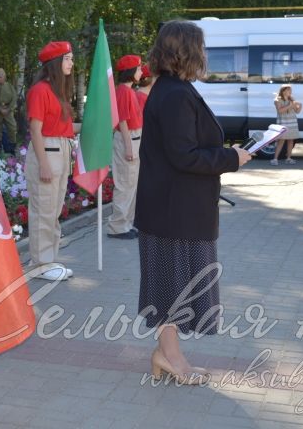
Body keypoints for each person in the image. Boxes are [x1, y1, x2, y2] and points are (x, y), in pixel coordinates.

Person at [135, 20, 251, 385]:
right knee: (172, 288)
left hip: (177, 209)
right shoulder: (173, 94)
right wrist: (231, 158)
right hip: (173, 212)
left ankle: (169, 356)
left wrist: (227, 154)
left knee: (175, 285)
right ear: (185, 51)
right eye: (200, 47)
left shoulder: (175, 90)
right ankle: (169, 358)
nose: (204, 54)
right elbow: (184, 156)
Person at [25, 41, 80, 281]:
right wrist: (44, 163)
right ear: (56, 63)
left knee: (53, 211)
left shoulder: (58, 92)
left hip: (60, 148)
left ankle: (48, 260)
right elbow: (35, 130)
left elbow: (65, 128)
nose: (71, 63)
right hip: (46, 151)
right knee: (44, 210)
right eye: (67, 59)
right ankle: (41, 264)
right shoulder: (40, 90)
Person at [108, 54, 144, 240]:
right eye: (138, 68)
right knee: (124, 183)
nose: (141, 71)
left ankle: (126, 223)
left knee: (131, 184)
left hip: (133, 137)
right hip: (127, 138)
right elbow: (122, 121)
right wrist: (129, 148)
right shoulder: (123, 91)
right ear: (131, 71)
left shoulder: (128, 90)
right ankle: (117, 226)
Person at [0, 68, 18, 154]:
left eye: (0, 77)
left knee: (12, 128)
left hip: (8, 111)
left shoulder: (10, 86)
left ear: (4, 77)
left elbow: (14, 99)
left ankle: (12, 150)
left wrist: (9, 109)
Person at [271, 84, 302, 166]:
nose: (290, 92)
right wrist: (290, 105)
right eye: (288, 90)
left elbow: (297, 111)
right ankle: (275, 159)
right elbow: (280, 111)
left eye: (290, 90)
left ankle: (288, 158)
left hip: (292, 123)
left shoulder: (291, 100)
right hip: (283, 124)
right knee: (281, 141)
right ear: (283, 91)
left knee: (291, 140)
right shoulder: (277, 100)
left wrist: (300, 106)